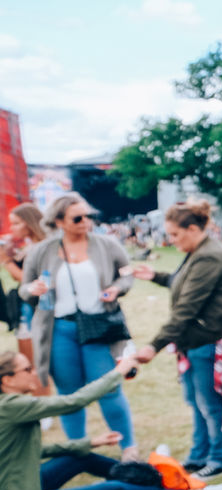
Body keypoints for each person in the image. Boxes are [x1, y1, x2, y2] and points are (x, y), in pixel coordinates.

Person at [0, 351, 222, 490]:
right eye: (27, 369)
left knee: (78, 457)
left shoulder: (11, 406)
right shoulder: (13, 405)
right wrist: (117, 373)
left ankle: (153, 474)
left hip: (22, 484)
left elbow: (31, 451)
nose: (34, 372)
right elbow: (73, 401)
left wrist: (88, 444)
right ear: (7, 380)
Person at [130, 201, 222, 480]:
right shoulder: (198, 252)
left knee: (209, 403)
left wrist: (154, 346)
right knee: (196, 401)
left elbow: (188, 306)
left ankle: (218, 458)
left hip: (208, 338)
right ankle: (199, 454)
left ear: (193, 229)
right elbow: (184, 283)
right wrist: (156, 276)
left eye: (175, 234)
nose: (171, 240)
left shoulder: (210, 256)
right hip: (194, 340)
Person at [20, 194, 138, 461]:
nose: (86, 221)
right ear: (59, 221)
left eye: (89, 216)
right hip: (60, 330)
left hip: (99, 328)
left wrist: (117, 288)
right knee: (68, 395)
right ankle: (77, 450)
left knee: (109, 387)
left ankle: (128, 447)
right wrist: (33, 289)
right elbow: (24, 289)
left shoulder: (106, 244)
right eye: (78, 217)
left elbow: (127, 273)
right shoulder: (42, 251)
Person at [3, 203, 47, 375]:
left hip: (35, 309)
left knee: (34, 367)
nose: (12, 228)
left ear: (29, 223)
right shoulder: (30, 246)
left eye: (16, 223)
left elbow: (27, 279)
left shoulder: (42, 247)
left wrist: (6, 260)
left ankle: (41, 399)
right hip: (26, 307)